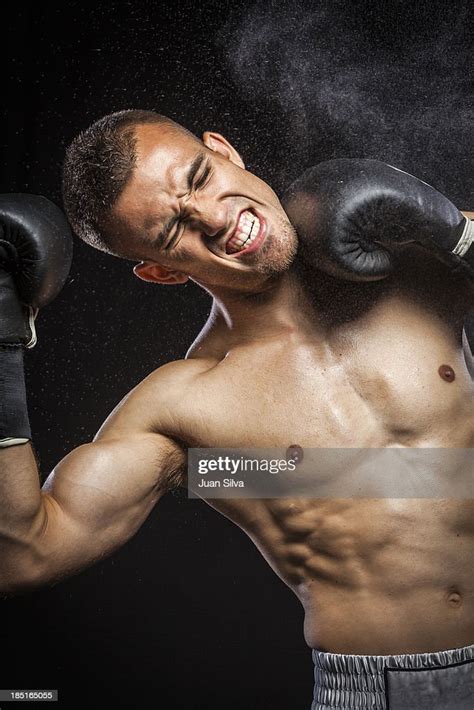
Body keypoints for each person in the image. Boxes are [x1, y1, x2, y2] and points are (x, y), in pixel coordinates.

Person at [0, 109, 473, 709]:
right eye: (176, 231)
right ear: (161, 272)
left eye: (199, 178)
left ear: (224, 150)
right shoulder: (185, 408)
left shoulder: (416, 263)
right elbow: (22, 555)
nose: (219, 219)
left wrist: (460, 237)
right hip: (382, 691)